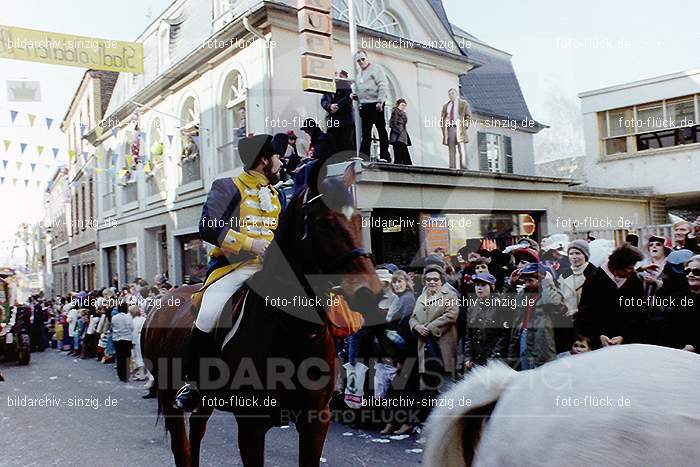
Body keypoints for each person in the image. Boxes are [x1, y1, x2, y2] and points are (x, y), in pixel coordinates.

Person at [175, 134, 285, 412]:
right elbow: (208, 226)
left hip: (272, 269)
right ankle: (195, 382)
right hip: (233, 267)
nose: (281, 161)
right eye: (277, 157)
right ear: (264, 160)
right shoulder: (227, 186)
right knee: (209, 310)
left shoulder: (279, 194)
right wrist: (250, 243)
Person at [574, 244, 645, 349]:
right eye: (629, 268)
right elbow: (586, 313)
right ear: (616, 267)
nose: (632, 270)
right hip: (599, 342)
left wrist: (624, 336)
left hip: (626, 342)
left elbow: (639, 312)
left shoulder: (635, 281)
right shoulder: (594, 280)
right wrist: (598, 335)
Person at [409, 265, 459, 391]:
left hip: (442, 346)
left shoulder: (450, 295)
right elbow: (412, 317)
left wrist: (429, 327)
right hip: (425, 347)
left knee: (446, 386)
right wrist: (416, 327)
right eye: (428, 279)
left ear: (441, 280)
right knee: (429, 383)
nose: (432, 282)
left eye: (435, 279)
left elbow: (451, 315)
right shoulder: (421, 297)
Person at [507, 263, 565, 370]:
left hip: (541, 339)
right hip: (524, 335)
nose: (527, 284)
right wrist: (511, 284)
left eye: (531, 280)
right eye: (525, 281)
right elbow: (507, 306)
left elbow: (554, 303)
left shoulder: (551, 292)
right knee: (525, 371)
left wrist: (547, 283)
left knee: (541, 371)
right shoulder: (523, 294)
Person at [556, 240, 596, 352]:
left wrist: (578, 311)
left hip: (586, 324)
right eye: (571, 253)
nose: (574, 257)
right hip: (566, 323)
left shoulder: (594, 273)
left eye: (578, 253)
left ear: (585, 255)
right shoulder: (564, 274)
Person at [463, 273, 509, 370]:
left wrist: (495, 357)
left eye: (483, 285)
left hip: (493, 360)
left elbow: (504, 335)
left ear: (492, 287)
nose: (479, 288)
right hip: (475, 360)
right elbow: (468, 335)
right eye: (477, 285)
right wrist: (468, 357)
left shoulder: (500, 306)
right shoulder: (473, 307)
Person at [352, 49, 390, 161]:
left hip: (376, 104)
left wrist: (380, 101)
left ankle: (384, 155)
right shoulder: (359, 74)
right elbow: (361, 89)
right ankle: (364, 156)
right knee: (366, 133)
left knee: (381, 130)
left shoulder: (376, 69)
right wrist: (356, 95)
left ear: (367, 58)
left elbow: (382, 84)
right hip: (365, 106)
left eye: (363, 59)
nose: (361, 62)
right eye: (358, 61)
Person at [321, 70, 355, 156]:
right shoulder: (328, 87)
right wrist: (329, 106)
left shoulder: (346, 86)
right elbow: (324, 101)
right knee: (333, 144)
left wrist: (337, 106)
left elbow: (348, 98)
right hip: (332, 121)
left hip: (344, 120)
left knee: (346, 143)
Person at [440, 88, 471, 169]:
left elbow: (468, 116)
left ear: (456, 94)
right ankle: (452, 168)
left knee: (462, 148)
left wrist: (465, 125)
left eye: (453, 93)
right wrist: (443, 129)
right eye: (449, 94)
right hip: (450, 128)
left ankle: (464, 167)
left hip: (460, 127)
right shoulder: (446, 106)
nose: (451, 95)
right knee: (451, 149)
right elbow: (443, 118)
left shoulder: (463, 104)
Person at [111, 302, 134, 383]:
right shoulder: (129, 317)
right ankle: (126, 375)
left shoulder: (114, 317)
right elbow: (132, 327)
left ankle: (120, 374)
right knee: (126, 357)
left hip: (117, 339)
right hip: (127, 339)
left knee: (119, 357)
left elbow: (112, 326)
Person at [389, 99, 412, 165]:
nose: (403, 107)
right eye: (402, 105)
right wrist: (399, 130)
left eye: (404, 105)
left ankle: (403, 164)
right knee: (400, 151)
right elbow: (392, 123)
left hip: (402, 135)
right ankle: (402, 164)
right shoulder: (396, 112)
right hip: (398, 136)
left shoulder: (402, 113)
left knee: (402, 151)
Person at [130, 305, 147, 381]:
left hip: (138, 339)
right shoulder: (144, 319)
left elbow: (134, 333)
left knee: (139, 357)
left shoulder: (134, 321)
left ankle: (142, 375)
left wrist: (133, 342)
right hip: (145, 338)